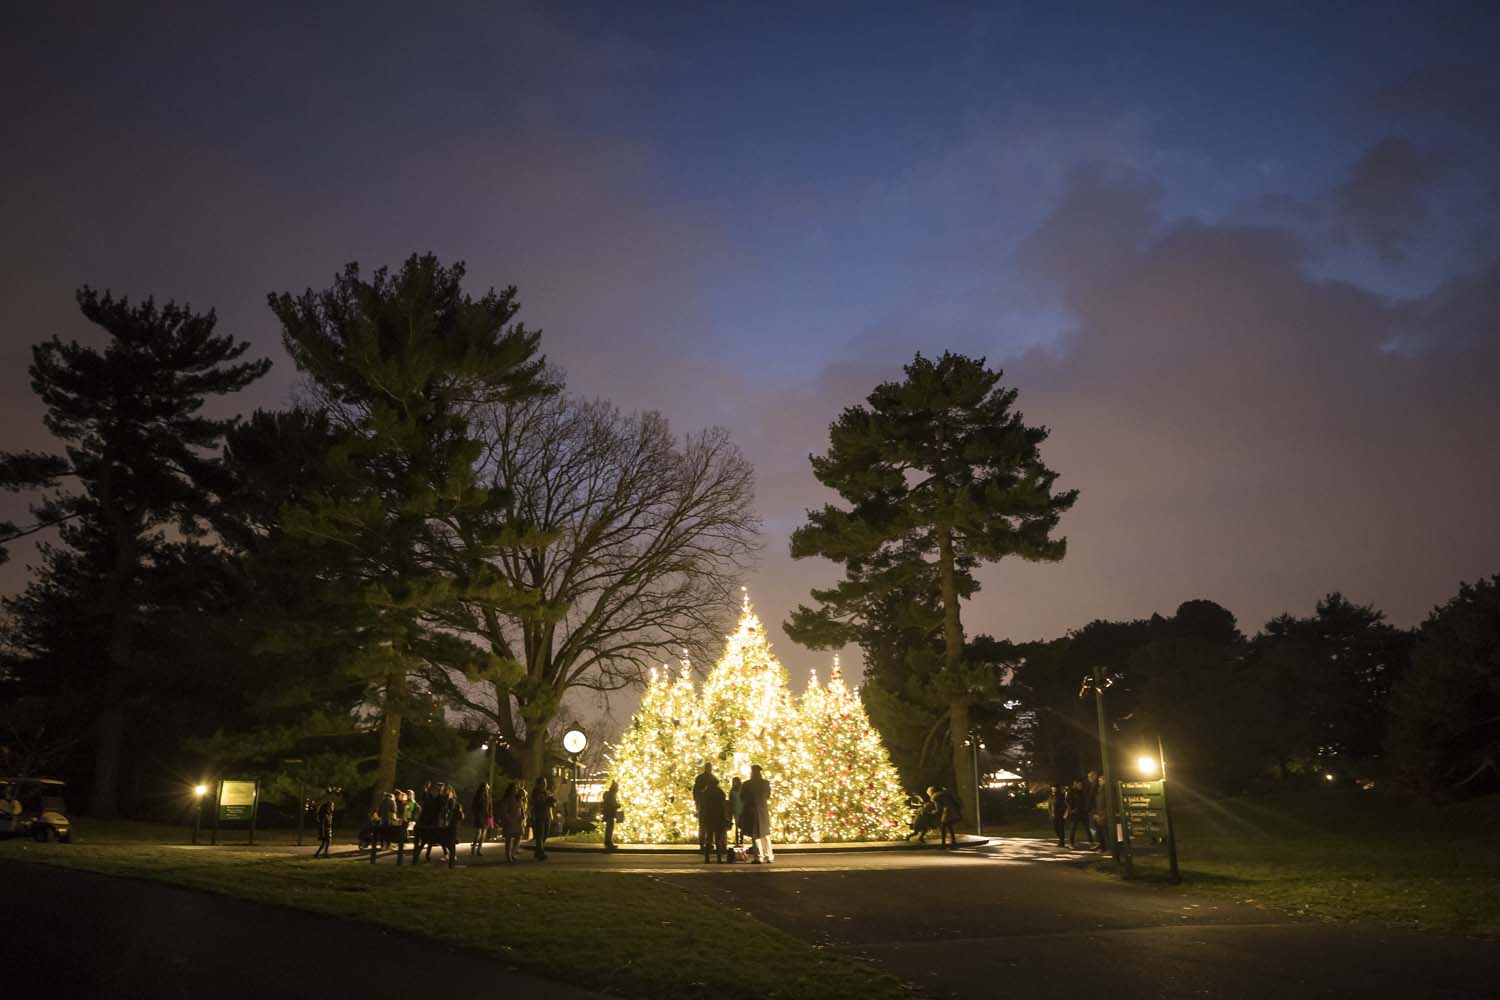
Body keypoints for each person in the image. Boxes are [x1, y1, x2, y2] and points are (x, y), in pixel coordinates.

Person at [741, 764, 773, 864]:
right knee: (765, 834)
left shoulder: (747, 784)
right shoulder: (765, 783)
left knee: (755, 835)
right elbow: (767, 795)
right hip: (762, 810)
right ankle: (769, 856)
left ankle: (759, 856)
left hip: (752, 811)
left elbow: (742, 797)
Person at [698, 772, 729, 863]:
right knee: (718, 839)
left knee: (709, 838)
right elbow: (723, 805)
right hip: (718, 818)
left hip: (708, 818)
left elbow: (703, 806)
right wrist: (725, 816)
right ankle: (719, 858)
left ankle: (707, 858)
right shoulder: (720, 793)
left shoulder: (705, 793)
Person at [691, 763, 715, 853]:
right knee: (705, 826)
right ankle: (704, 844)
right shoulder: (704, 778)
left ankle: (707, 844)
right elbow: (696, 791)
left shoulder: (707, 777)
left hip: (706, 806)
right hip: (705, 806)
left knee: (706, 826)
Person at [529, 777, 555, 860]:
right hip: (539, 816)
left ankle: (538, 851)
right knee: (540, 835)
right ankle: (540, 853)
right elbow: (537, 803)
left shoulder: (545, 792)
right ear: (539, 783)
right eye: (543, 782)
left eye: (545, 782)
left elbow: (548, 802)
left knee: (545, 834)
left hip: (546, 815)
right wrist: (548, 802)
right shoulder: (536, 792)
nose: (545, 784)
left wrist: (552, 802)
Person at [499, 781, 525, 863]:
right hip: (510, 821)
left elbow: (521, 808)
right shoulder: (507, 799)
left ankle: (513, 854)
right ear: (510, 789)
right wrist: (509, 819)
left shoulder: (518, 798)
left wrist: (522, 816)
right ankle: (508, 856)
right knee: (509, 839)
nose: (516, 790)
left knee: (518, 837)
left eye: (517, 788)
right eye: (514, 788)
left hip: (518, 821)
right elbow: (504, 811)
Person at [471, 782, 493, 856]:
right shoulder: (478, 796)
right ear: (482, 788)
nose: (488, 788)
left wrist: (490, 816)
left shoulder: (488, 796)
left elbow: (490, 807)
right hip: (479, 816)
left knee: (483, 833)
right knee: (478, 833)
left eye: (487, 787)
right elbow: (473, 806)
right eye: (486, 787)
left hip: (486, 816)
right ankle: (473, 847)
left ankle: (479, 850)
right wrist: (476, 814)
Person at [601, 780, 620, 852]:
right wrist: (618, 805)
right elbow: (612, 804)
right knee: (610, 828)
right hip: (610, 814)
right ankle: (609, 843)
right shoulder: (611, 795)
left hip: (608, 813)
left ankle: (608, 842)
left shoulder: (609, 794)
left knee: (609, 828)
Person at [1065, 780, 1085, 848]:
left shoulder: (1080, 791)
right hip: (1074, 813)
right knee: (1073, 828)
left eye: (1081, 785)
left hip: (1079, 812)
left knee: (1075, 827)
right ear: (1075, 784)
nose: (1080, 786)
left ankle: (1074, 842)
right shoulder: (1071, 791)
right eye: (1079, 784)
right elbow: (1067, 801)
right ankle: (1071, 843)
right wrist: (1072, 809)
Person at [729, 776, 744, 846]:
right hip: (736, 810)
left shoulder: (739, 790)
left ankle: (740, 840)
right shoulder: (733, 791)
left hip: (741, 809)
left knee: (741, 826)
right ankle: (738, 841)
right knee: (738, 826)